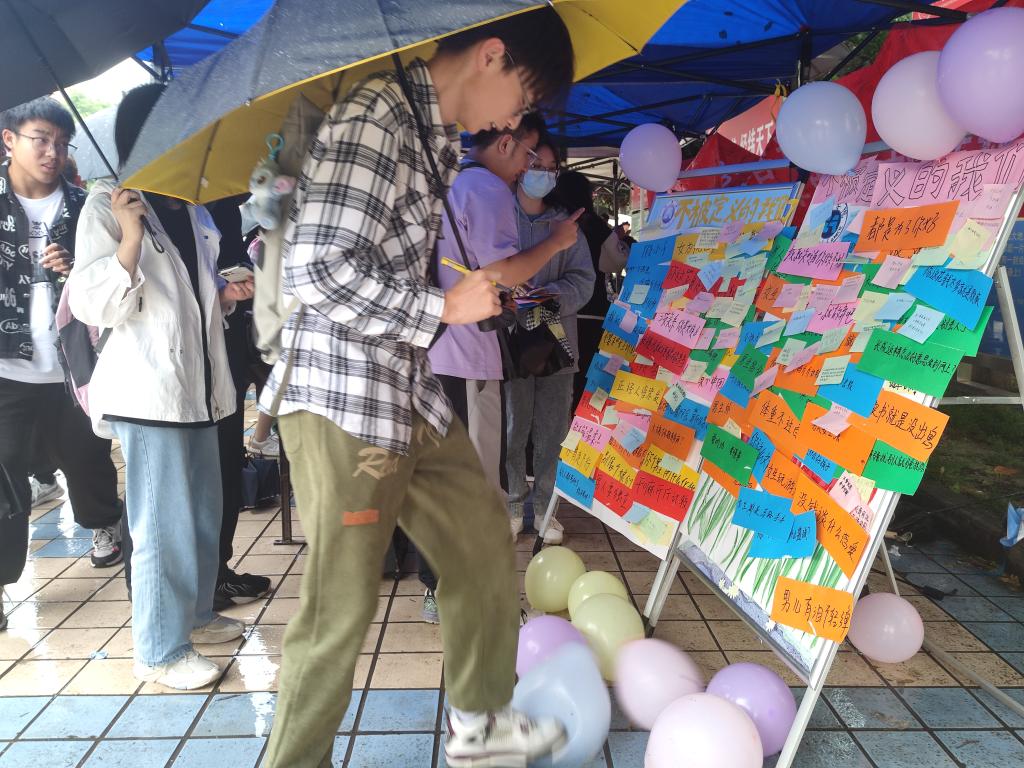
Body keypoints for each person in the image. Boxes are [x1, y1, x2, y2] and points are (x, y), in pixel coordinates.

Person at [258, 9, 575, 767]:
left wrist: (451, 298)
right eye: (523, 100)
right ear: (491, 55)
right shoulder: (378, 115)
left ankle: (480, 725)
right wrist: (442, 308)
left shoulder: (427, 133)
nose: (516, 125)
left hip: (407, 393)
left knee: (482, 539)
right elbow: (316, 270)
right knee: (340, 606)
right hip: (343, 399)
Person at [69, 83, 254, 689]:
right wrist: (127, 238)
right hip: (150, 394)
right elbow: (95, 304)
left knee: (201, 515)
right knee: (160, 526)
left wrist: (223, 292)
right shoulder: (108, 207)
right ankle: (159, 649)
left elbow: (187, 297)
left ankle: (196, 617)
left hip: (199, 388)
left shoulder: (188, 207)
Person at [418, 113, 580, 621]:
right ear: (507, 143)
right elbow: (500, 272)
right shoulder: (486, 188)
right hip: (465, 355)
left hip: (438, 349)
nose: (530, 170)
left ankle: (444, 589)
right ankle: (469, 597)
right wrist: (555, 242)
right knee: (475, 482)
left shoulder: (450, 180)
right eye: (531, 157)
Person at [0, 97, 126, 632]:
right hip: (7, 368)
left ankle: (103, 523)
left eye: (60, 142)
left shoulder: (84, 205)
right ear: (9, 139)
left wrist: (75, 270)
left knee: (86, 454)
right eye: (40, 139)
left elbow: (110, 276)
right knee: (3, 473)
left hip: (74, 363)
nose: (52, 152)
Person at [505, 133, 594, 544]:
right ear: (519, 166)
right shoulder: (498, 216)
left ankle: (545, 508)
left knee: (553, 430)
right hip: (509, 342)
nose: (542, 174)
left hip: (558, 343)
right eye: (535, 166)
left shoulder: (565, 225)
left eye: (550, 168)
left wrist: (547, 296)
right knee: (512, 427)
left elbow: (584, 280)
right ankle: (511, 504)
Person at [552, 171, 610, 408]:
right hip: (594, 310)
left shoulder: (553, 223)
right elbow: (620, 258)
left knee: (564, 379)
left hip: (560, 313)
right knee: (588, 378)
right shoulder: (596, 225)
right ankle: (582, 423)